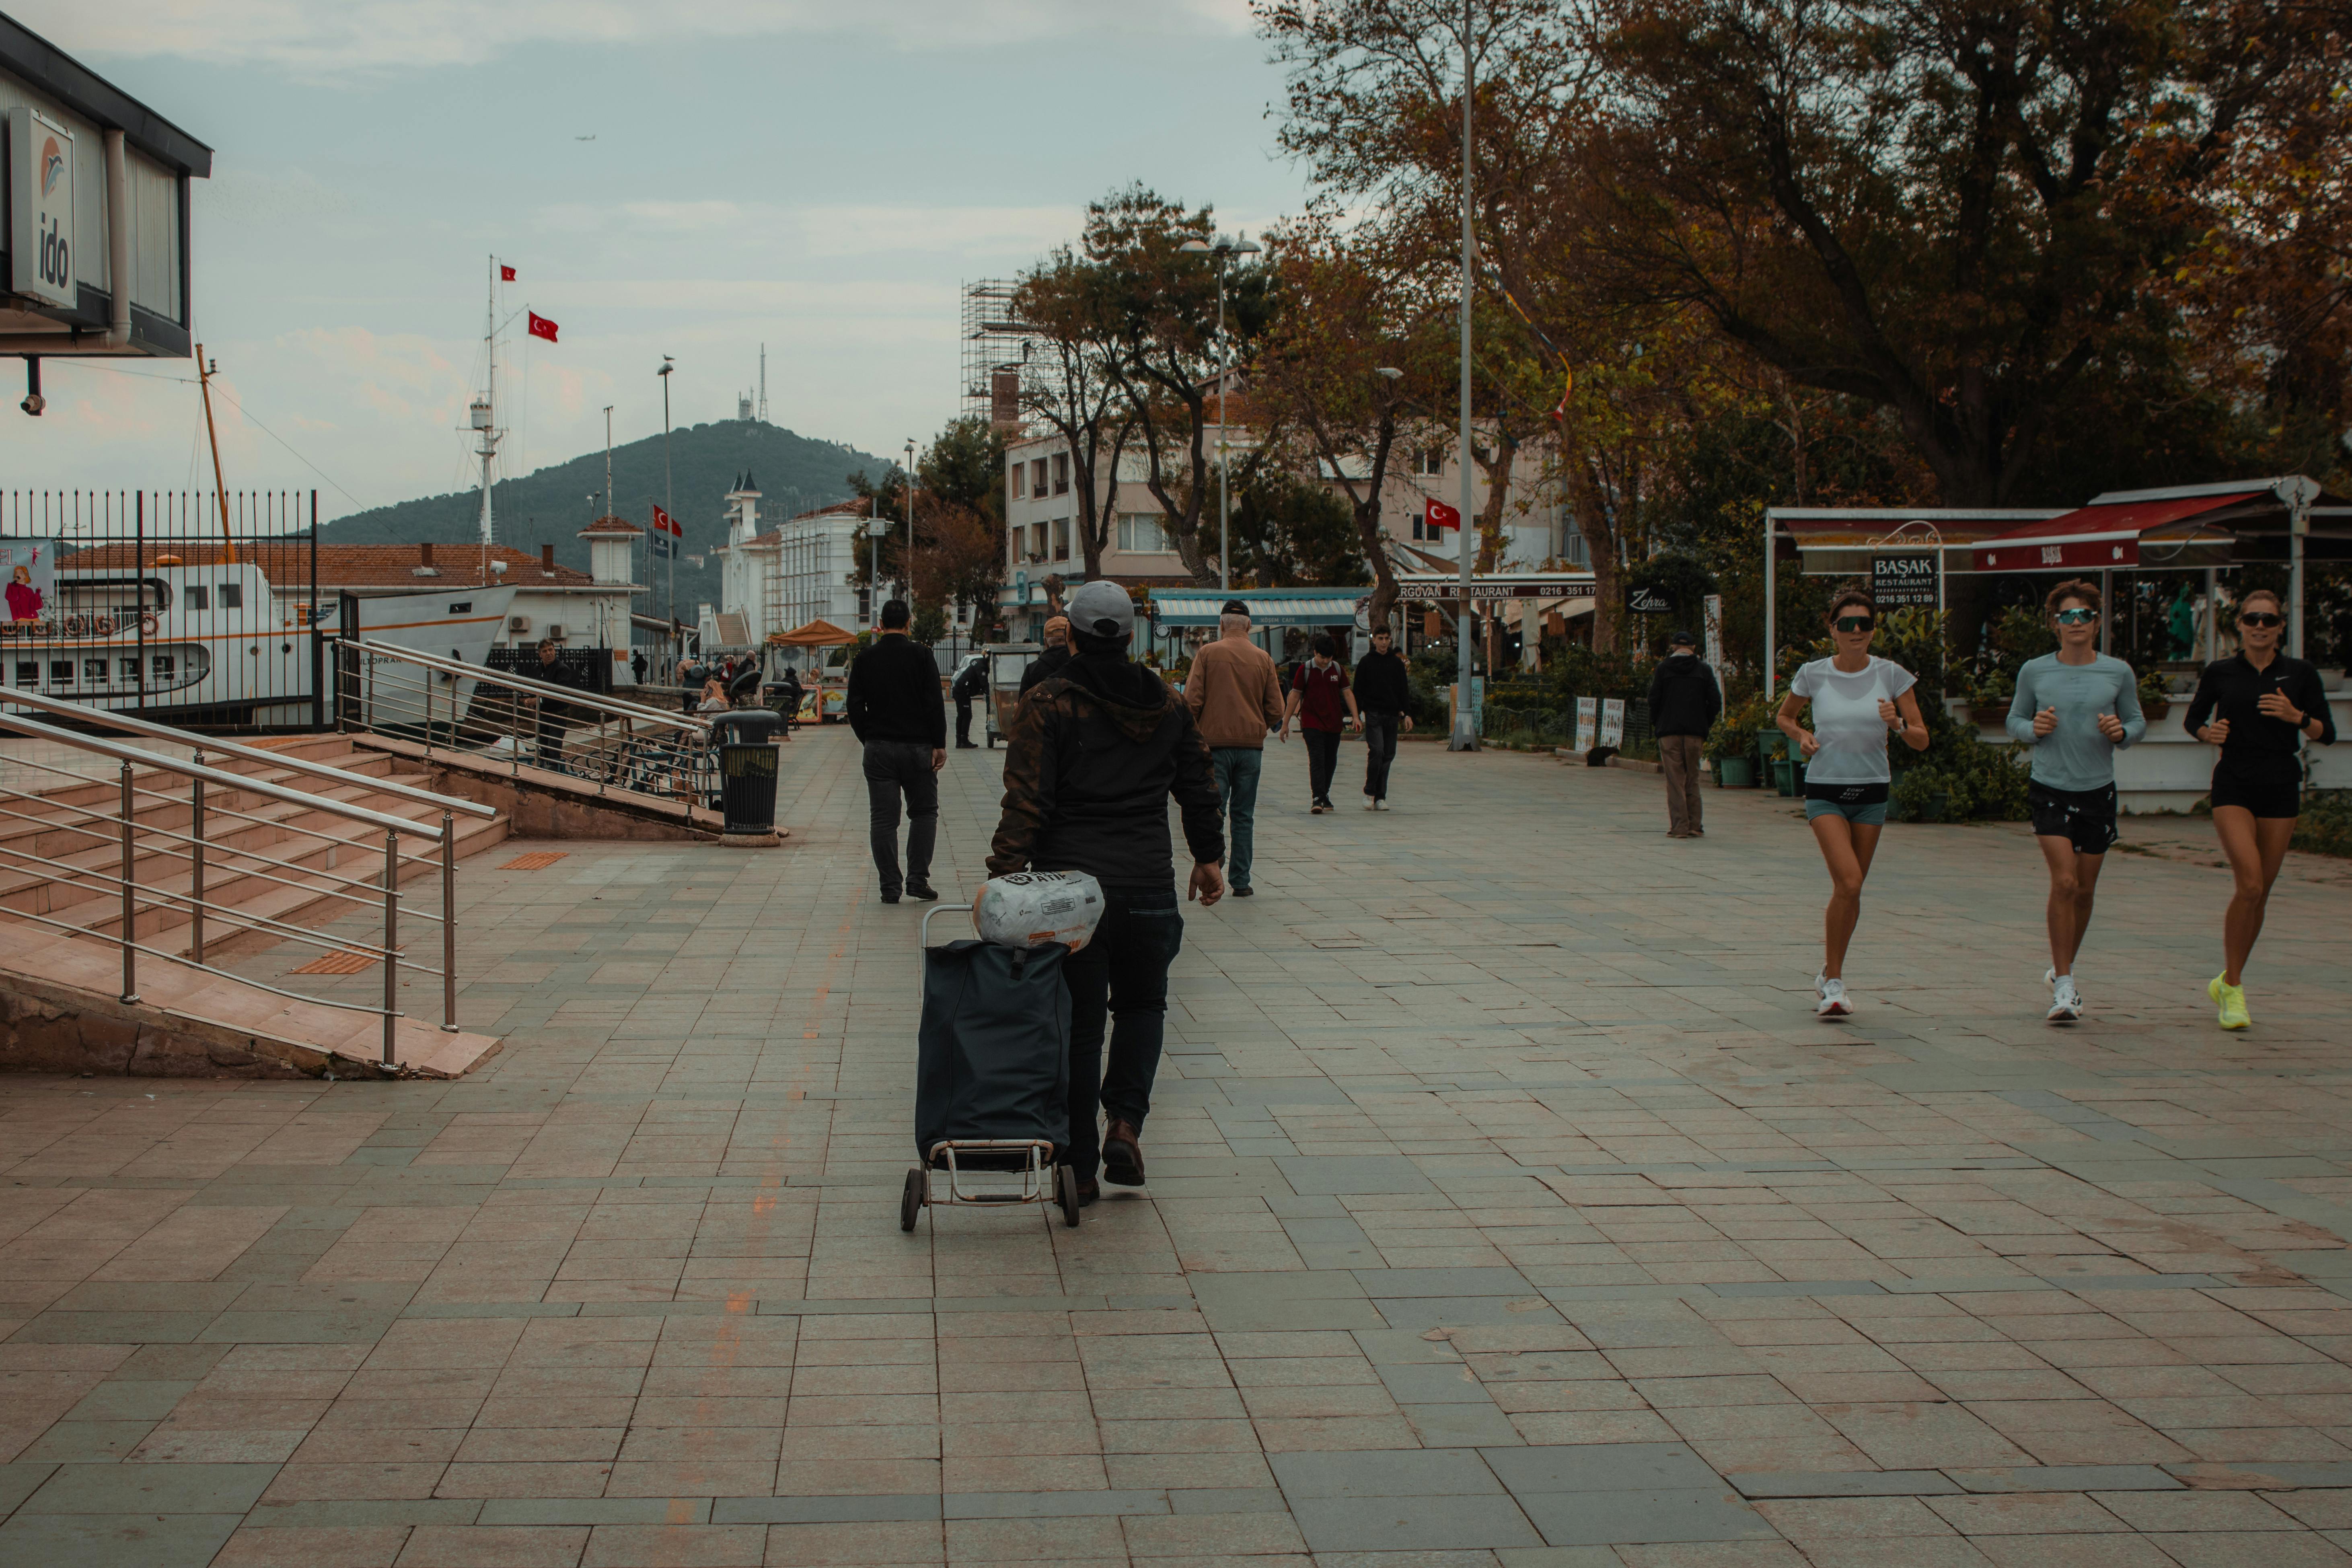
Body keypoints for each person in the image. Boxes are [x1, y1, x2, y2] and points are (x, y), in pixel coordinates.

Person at [986, 579, 1224, 1204]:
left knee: (1082, 1023)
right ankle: (1125, 1123)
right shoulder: (1167, 704)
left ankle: (1080, 1167)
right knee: (1144, 1006)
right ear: (1127, 634)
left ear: (1077, 631)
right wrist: (1208, 857)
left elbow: (1026, 800)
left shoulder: (1048, 702)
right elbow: (1200, 783)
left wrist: (1004, 876)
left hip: (1071, 894)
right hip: (1148, 883)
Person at [2183, 586, 2336, 1029]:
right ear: (2240, 625)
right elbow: (2193, 718)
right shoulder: (2220, 671)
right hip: (2234, 782)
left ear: (2281, 626)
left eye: (2269, 620)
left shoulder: (2300, 673)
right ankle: (2233, 990)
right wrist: (2205, 735)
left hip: (2281, 785)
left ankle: (2229, 978)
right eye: (2252, 619)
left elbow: (2328, 733)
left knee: (2261, 891)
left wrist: (2297, 718)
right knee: (2248, 884)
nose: (2260, 627)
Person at [1775, 590, 1931, 1017]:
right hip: (1825, 788)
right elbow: (1784, 717)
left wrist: (1897, 723)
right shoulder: (1813, 673)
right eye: (1847, 624)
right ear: (1833, 629)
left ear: (1873, 629)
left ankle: (1829, 970)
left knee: (1853, 888)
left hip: (1871, 792)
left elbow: (1921, 738)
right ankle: (1835, 985)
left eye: (1864, 623)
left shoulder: (1892, 675)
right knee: (1848, 881)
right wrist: (1801, 735)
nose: (1856, 631)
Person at [2005, 579, 2146, 1023]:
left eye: (2084, 615)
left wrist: (2121, 733)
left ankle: (2061, 964)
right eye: (2067, 616)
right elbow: (2015, 718)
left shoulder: (2117, 671)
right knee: (2064, 882)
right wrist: (2035, 729)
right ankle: (2065, 985)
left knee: (2084, 889)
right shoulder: (2035, 670)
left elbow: (2136, 719)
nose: (2076, 623)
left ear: (2097, 621)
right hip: (2049, 785)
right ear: (2054, 624)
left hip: (2097, 788)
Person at [846, 599, 946, 904]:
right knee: (924, 812)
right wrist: (939, 743)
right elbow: (934, 701)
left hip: (879, 748)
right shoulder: (921, 655)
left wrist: (869, 737)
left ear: (881, 622)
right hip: (918, 747)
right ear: (908, 623)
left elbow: (853, 705)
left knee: (884, 819)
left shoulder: (865, 658)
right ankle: (918, 879)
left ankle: (890, 886)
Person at [1184, 600, 1287, 896]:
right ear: (1249, 627)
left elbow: (1191, 702)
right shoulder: (1263, 658)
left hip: (1215, 747)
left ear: (1222, 626)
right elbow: (1276, 709)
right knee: (1244, 814)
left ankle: (1215, 861)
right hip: (1251, 749)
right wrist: (1257, 727)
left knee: (1215, 809)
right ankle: (1241, 881)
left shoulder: (1207, 654)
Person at [1648, 628, 1722, 839]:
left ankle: (1679, 827)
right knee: (1693, 778)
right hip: (1695, 733)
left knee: (1675, 780)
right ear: (1693, 648)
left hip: (1669, 732)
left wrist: (1658, 723)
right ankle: (1695, 825)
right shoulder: (1704, 670)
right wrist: (1705, 723)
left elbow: (1654, 699)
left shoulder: (1663, 669)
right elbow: (1715, 701)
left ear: (1673, 647)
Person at [1286, 633, 1359, 813]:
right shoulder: (1305, 670)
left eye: (1329, 658)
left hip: (1334, 723)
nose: (1325, 661)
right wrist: (1285, 723)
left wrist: (1356, 717)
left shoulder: (1338, 670)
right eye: (1322, 657)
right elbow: (1294, 695)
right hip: (1312, 723)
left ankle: (1324, 794)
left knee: (1330, 761)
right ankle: (1317, 797)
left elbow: (1348, 693)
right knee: (1317, 759)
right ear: (1315, 652)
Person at [1352, 624, 1413, 809]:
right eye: (1381, 638)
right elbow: (1358, 691)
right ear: (1374, 639)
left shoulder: (1396, 664)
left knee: (1388, 755)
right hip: (1373, 715)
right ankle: (1370, 792)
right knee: (1377, 751)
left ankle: (1381, 796)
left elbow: (1404, 690)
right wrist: (1356, 716)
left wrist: (1407, 714)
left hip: (1392, 716)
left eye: (1387, 639)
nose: (1384, 642)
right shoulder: (1366, 662)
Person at [529, 638, 583, 774]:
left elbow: (559, 693)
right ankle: (542, 770)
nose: (549, 653)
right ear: (540, 654)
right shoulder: (538, 669)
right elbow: (535, 688)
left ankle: (554, 772)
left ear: (555, 651)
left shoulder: (562, 669)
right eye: (545, 651)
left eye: (551, 650)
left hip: (558, 713)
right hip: (543, 714)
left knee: (554, 746)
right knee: (542, 745)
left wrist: (539, 701)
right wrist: (530, 700)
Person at [1020, 616, 1071, 695]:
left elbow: (1023, 703)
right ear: (1069, 638)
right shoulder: (1082, 666)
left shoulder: (1032, 670)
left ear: (1045, 642)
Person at [950, 651, 987, 748]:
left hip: (961, 690)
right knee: (966, 715)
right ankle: (964, 741)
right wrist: (989, 691)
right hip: (962, 691)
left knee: (962, 715)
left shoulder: (980, 663)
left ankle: (960, 741)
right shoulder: (981, 666)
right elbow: (983, 683)